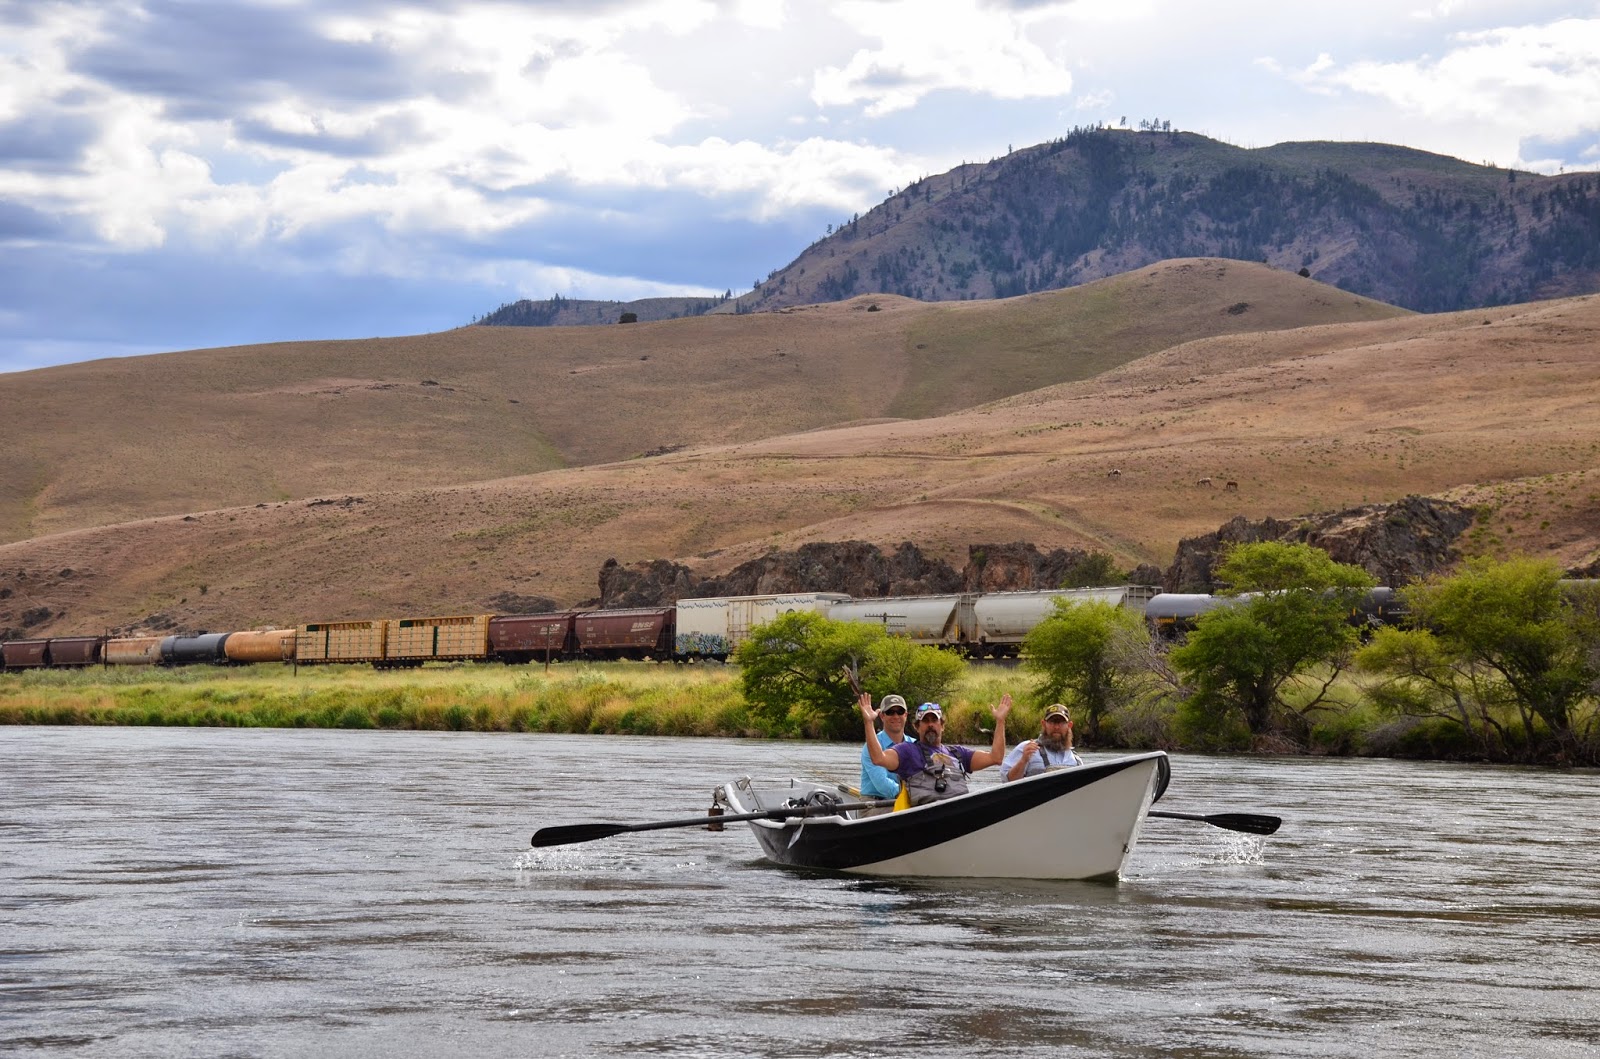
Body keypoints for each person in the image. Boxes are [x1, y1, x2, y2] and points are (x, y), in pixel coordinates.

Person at [858, 694, 1011, 806]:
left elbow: (996, 758)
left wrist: (1000, 721)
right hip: (923, 814)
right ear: (917, 727)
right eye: (925, 721)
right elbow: (879, 758)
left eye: (934, 720)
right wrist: (868, 723)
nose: (930, 724)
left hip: (957, 810)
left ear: (942, 726)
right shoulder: (907, 751)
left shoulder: (958, 753)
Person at [1000, 703, 1082, 782]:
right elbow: (1007, 781)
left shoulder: (1076, 760)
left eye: (1061, 722)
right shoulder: (1026, 748)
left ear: (1069, 725)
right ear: (1044, 724)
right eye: (1052, 722)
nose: (1056, 727)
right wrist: (1023, 760)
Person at [858, 693, 911, 800]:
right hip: (874, 804)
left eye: (900, 712)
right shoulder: (871, 746)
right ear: (882, 716)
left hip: (907, 800)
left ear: (905, 715)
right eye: (890, 712)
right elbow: (882, 785)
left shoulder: (914, 744)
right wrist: (910, 794)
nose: (895, 716)